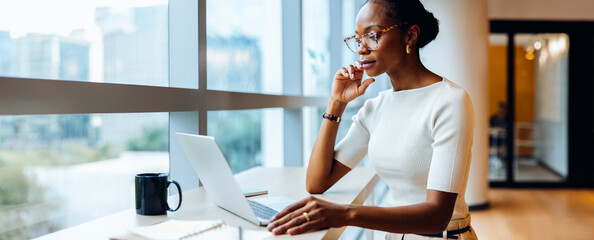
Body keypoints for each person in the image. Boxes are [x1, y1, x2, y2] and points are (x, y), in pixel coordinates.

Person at [267, 0, 478, 239]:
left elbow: (437, 216)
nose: (361, 48)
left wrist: (346, 213)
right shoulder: (375, 108)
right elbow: (317, 181)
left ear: (410, 36)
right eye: (358, 39)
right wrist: (336, 103)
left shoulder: (450, 101)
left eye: (372, 35)